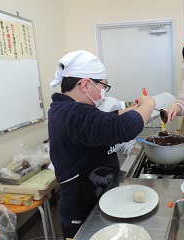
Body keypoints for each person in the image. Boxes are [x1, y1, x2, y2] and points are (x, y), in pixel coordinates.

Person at [48, 50, 155, 239]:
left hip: (95, 201)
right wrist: (149, 104)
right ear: (86, 84)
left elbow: (103, 121)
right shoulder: (73, 113)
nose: (104, 91)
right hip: (80, 213)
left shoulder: (67, 109)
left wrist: (130, 110)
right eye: (103, 85)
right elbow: (122, 128)